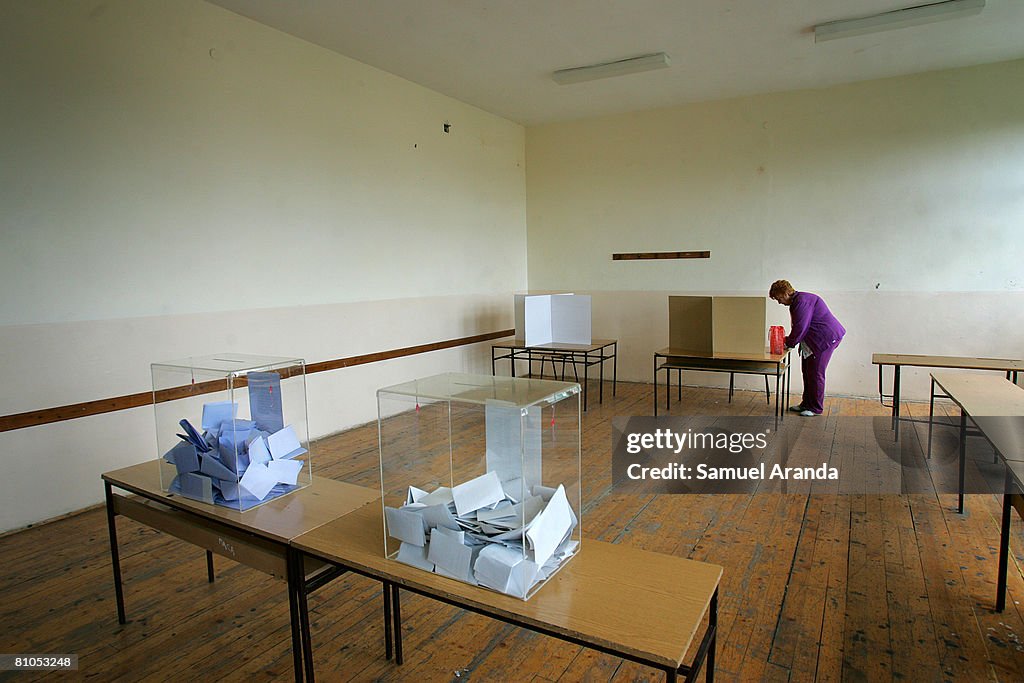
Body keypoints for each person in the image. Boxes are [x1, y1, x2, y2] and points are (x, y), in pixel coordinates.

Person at [769, 280, 845, 417]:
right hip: (814, 340)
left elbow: (801, 327)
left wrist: (789, 343)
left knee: (816, 373)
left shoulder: (802, 301)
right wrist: (788, 340)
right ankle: (806, 403)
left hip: (824, 339)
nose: (779, 302)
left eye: (779, 298)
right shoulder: (798, 301)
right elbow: (799, 327)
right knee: (807, 371)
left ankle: (816, 408)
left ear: (786, 293)